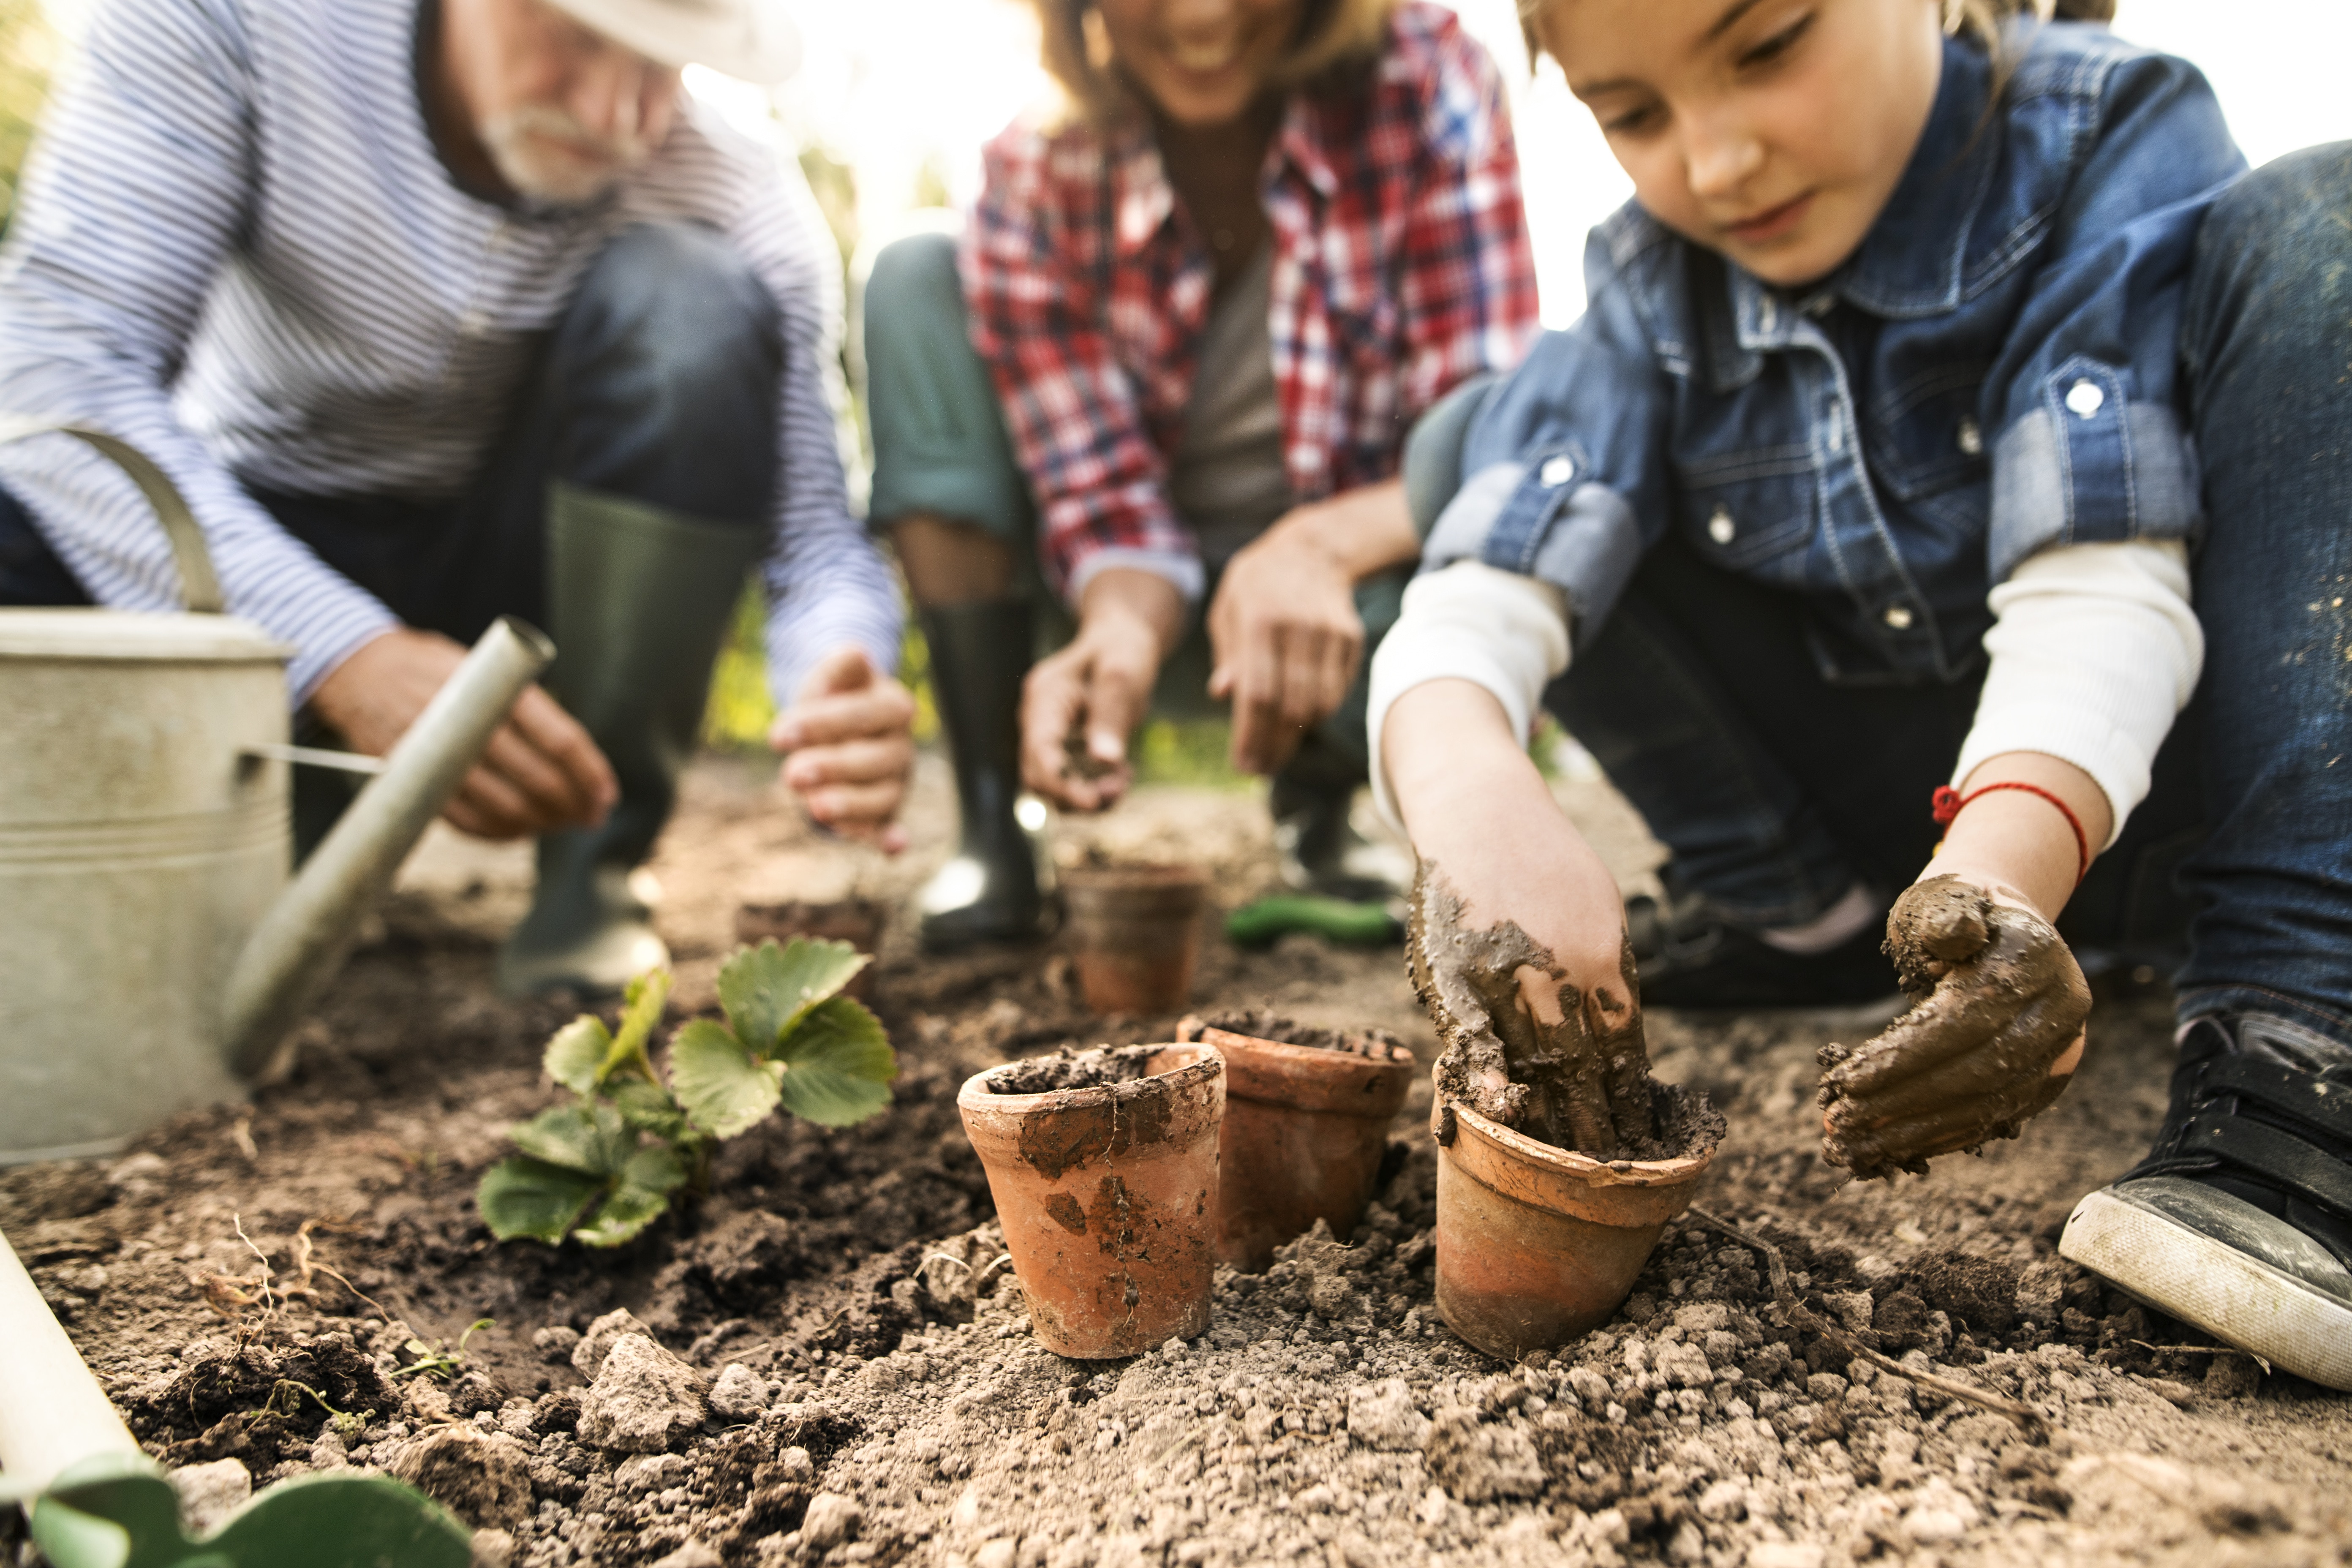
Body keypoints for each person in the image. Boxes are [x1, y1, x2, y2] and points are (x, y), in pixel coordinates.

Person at [1373, 0, 2351, 1388]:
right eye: (1631, 112)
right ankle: (1810, 926)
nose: (1710, 163)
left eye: (1764, 46)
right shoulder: (1653, 280)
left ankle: (2300, 1037)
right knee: (1473, 449)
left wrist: (1995, 874)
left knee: (2325, 221)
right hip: (1904, 827)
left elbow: (2098, 587)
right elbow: (1474, 600)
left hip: (2169, 802)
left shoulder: (2107, 137)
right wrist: (1477, 813)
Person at [0, 0, 916, 997]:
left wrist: (840, 669)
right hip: (251, 550)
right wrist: (344, 654)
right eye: (578, 34)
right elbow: (57, 369)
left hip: (519, 577)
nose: (618, 113)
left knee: (693, 300)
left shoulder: (731, 187)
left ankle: (592, 877)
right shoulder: (232, 22)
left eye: (666, 65)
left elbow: (816, 541)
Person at [859, 0, 1541, 948]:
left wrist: (1315, 548)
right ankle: (992, 813)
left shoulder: (1427, 77)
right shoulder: (1033, 169)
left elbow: (1485, 434)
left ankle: (1324, 795)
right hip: (1139, 607)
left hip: (1357, 602)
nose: (1204, 11)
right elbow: (1100, 495)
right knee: (914, 273)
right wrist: (1122, 623)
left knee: (1510, 550)